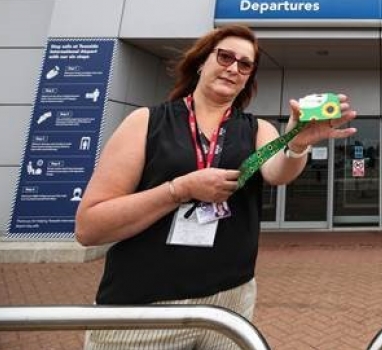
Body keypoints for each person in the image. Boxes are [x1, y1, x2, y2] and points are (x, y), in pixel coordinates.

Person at [75, 25, 356, 350]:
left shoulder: (256, 130)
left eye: (245, 64)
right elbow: (89, 227)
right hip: (143, 311)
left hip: (230, 305)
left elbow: (277, 170)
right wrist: (179, 189)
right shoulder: (146, 122)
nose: (234, 67)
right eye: (225, 56)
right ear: (200, 62)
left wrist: (295, 143)